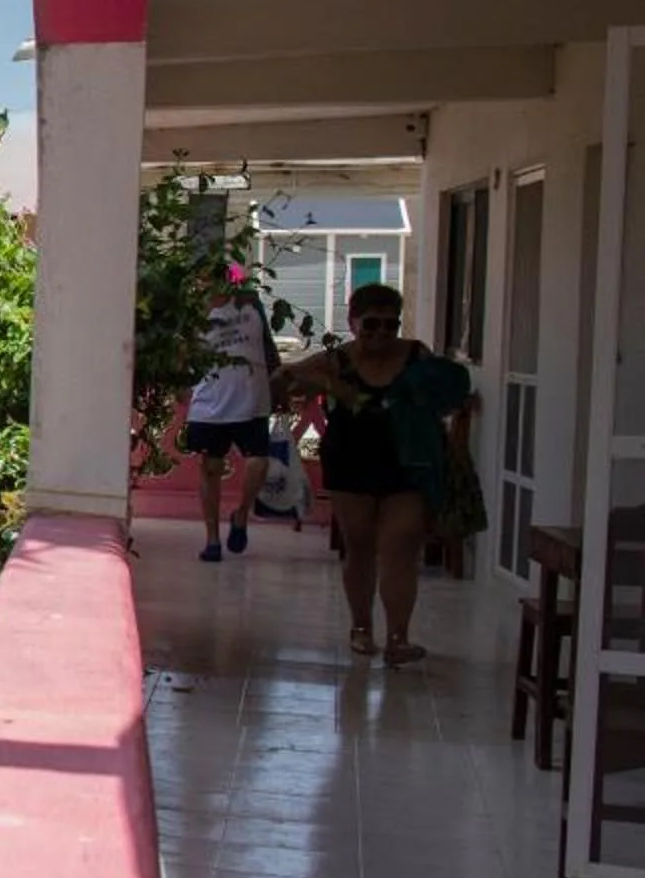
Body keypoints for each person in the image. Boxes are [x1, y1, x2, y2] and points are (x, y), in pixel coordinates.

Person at [274, 283, 474, 666]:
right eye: (371, 325)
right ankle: (361, 627)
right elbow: (282, 377)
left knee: (400, 548)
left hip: (408, 463)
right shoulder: (338, 360)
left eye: (389, 324)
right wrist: (328, 386)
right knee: (360, 546)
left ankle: (398, 637)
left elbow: (447, 393)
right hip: (351, 462)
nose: (381, 333)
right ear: (353, 323)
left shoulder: (416, 355)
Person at [183, 266, 279, 563]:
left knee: (258, 464)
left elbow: (267, 345)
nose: (206, 285)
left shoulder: (249, 304)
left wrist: (280, 382)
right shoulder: (192, 317)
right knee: (210, 468)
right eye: (201, 280)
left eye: (211, 279)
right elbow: (183, 357)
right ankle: (212, 540)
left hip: (252, 398)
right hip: (210, 401)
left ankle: (241, 514)